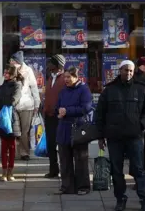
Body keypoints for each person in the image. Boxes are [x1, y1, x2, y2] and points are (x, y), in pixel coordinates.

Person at [96, 60, 145, 211]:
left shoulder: (142, 89)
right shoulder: (109, 90)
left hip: (134, 137)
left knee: (139, 169)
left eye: (130, 71)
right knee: (117, 170)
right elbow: (100, 115)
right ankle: (120, 199)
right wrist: (100, 137)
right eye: (125, 70)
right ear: (120, 70)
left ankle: (144, 199)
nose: (128, 73)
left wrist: (140, 126)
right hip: (114, 138)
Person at [55, 66, 92, 195]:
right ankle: (67, 186)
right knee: (64, 160)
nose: (66, 79)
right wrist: (58, 111)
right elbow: (58, 105)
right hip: (64, 128)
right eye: (64, 77)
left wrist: (68, 111)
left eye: (68, 77)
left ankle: (83, 186)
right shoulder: (63, 91)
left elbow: (86, 108)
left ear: (76, 77)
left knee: (80, 159)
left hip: (79, 127)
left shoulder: (84, 89)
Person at [0, 65, 23, 181]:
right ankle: (4, 172)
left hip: (12, 118)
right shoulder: (3, 85)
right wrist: (2, 101)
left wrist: (1, 101)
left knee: (12, 146)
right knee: (4, 146)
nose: (5, 74)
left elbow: (13, 101)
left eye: (7, 73)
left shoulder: (17, 85)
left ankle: (10, 172)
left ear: (13, 74)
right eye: (4, 72)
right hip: (2, 118)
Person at [10, 51, 40, 160]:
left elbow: (34, 88)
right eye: (11, 61)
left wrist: (37, 103)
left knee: (24, 131)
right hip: (13, 105)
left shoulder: (28, 71)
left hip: (27, 105)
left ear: (18, 62)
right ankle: (14, 152)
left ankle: (24, 153)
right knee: (14, 130)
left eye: (13, 61)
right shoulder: (10, 70)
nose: (11, 62)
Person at [43, 54, 66, 178]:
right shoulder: (49, 78)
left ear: (58, 65)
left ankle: (64, 170)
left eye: (51, 63)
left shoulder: (64, 79)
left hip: (60, 116)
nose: (48, 65)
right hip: (49, 116)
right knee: (50, 144)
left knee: (62, 145)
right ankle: (53, 170)